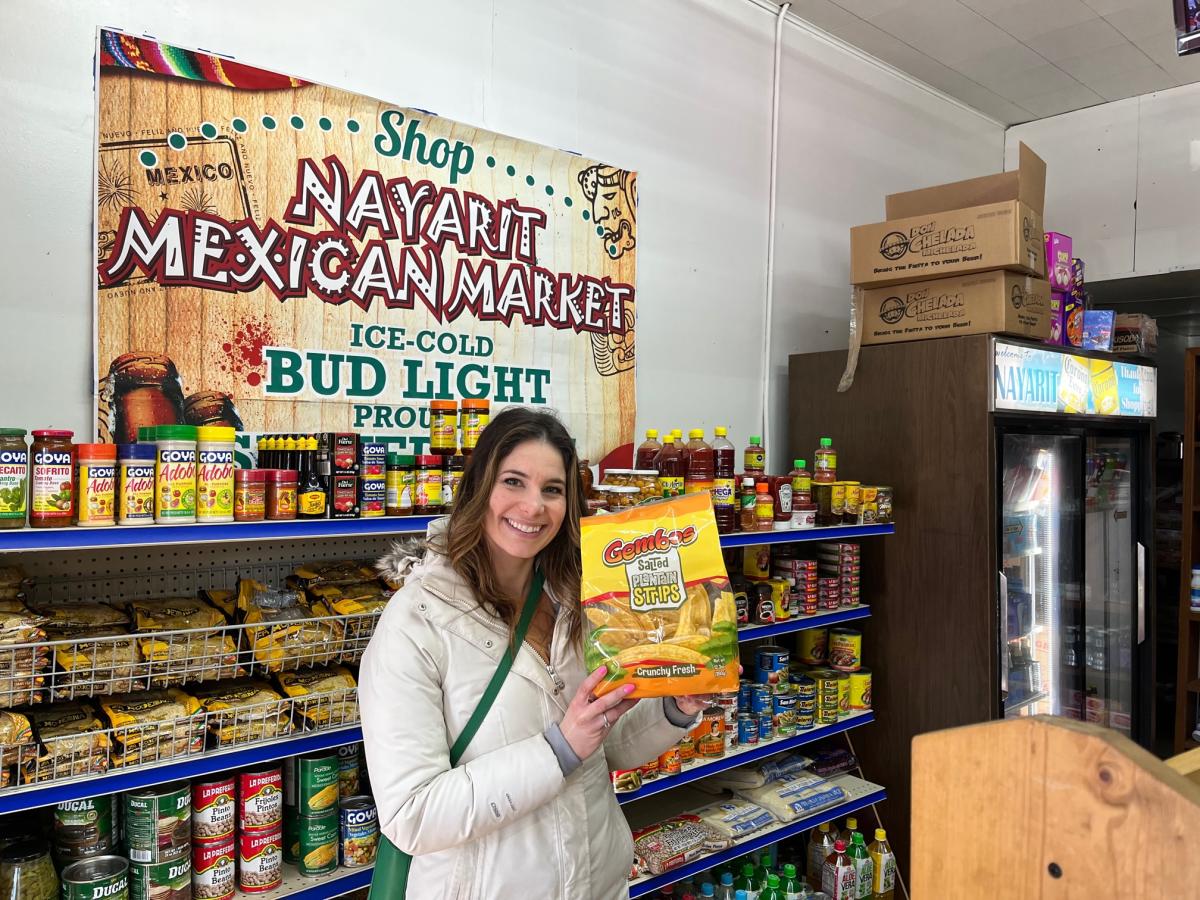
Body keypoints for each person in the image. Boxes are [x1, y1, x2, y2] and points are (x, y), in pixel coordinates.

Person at [360, 407, 710, 899]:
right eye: (513, 482)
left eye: (552, 489)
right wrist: (557, 750)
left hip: (597, 885)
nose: (533, 507)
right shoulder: (415, 623)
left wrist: (675, 706)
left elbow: (601, 748)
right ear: (478, 487)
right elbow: (412, 815)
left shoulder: (578, 600)